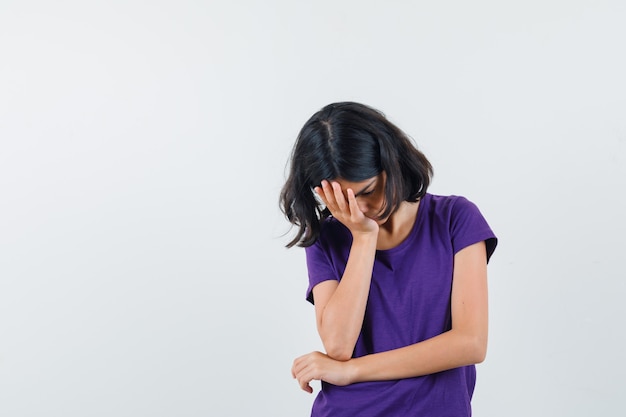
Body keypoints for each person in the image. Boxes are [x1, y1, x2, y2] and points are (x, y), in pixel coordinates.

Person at [280, 102, 497, 416]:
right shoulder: (327, 240)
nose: (362, 210)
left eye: (368, 191)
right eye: (346, 200)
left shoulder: (455, 219)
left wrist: (353, 371)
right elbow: (339, 347)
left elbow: (471, 343)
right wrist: (364, 239)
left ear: (390, 162)